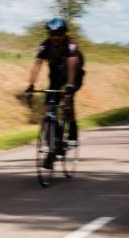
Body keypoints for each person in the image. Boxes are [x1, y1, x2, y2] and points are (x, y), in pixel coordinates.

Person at [25, 17, 85, 168]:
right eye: (52, 33)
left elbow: (72, 65)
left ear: (64, 33)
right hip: (55, 79)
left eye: (58, 33)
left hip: (74, 76)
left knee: (67, 98)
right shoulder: (45, 46)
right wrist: (31, 85)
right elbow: (37, 65)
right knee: (47, 112)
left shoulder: (70, 44)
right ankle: (53, 147)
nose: (55, 37)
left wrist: (69, 84)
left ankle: (72, 124)